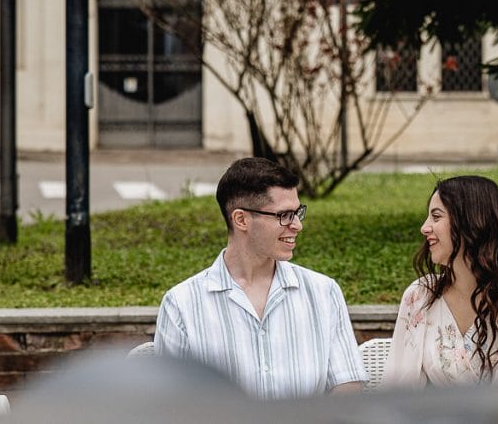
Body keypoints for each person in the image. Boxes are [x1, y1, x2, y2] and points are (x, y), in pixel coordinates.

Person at [154, 157, 367, 399]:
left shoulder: (323, 292)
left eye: (297, 213)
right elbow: (171, 404)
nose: (297, 225)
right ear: (241, 220)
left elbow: (348, 386)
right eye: (284, 215)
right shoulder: (181, 304)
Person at [383, 175, 498, 387]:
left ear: (471, 223)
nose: (424, 228)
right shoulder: (420, 295)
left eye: (436, 217)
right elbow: (398, 390)